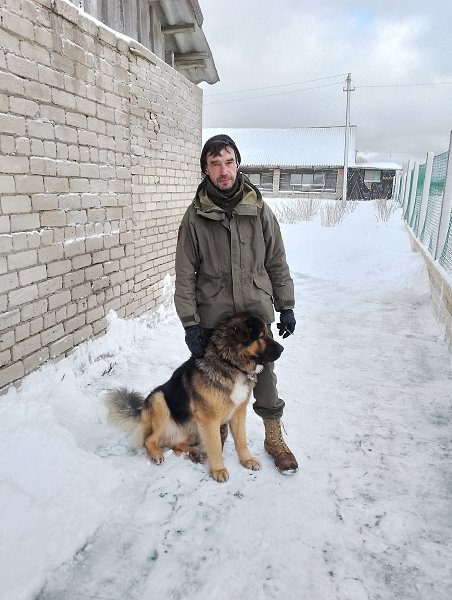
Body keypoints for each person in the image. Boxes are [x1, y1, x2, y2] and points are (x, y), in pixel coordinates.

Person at [174, 134, 298, 473]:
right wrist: (190, 324)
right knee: (211, 379)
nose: (223, 170)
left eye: (229, 162)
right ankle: (216, 430)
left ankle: (273, 437)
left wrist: (286, 305)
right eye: (215, 164)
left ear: (238, 164)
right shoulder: (195, 216)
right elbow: (184, 274)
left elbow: (276, 260)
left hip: (255, 311)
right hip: (214, 314)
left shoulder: (258, 208)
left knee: (265, 377)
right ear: (205, 169)